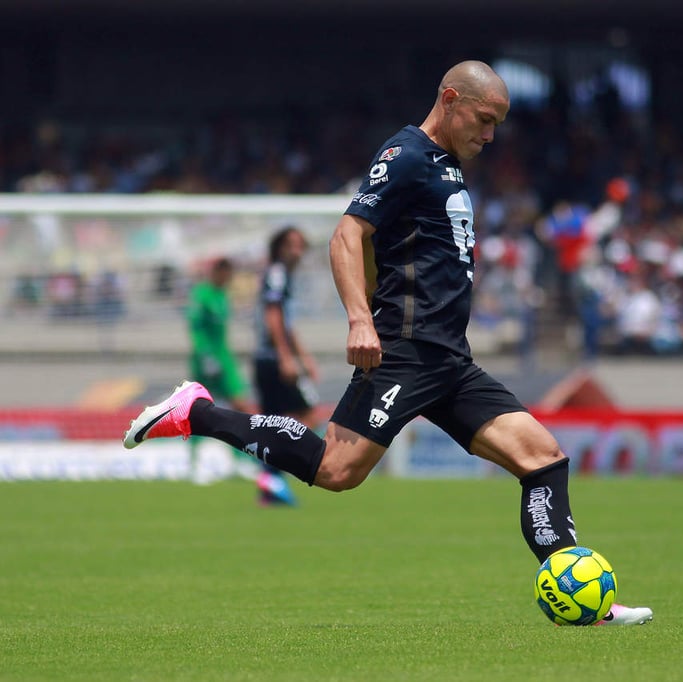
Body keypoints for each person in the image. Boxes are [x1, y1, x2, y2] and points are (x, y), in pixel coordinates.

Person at [123, 60, 652, 625]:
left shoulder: (446, 166)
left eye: (497, 123)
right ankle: (195, 412)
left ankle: (584, 600)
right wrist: (361, 318)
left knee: (543, 459)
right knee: (335, 470)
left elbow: (390, 250)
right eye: (484, 118)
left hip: (449, 358)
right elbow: (349, 234)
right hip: (407, 348)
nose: (491, 134)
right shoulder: (407, 156)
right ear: (449, 99)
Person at [252, 226, 321, 506]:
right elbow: (273, 315)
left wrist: (303, 357)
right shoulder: (277, 273)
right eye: (292, 245)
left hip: (270, 358)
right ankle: (277, 477)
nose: (297, 251)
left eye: (300, 245)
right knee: (307, 415)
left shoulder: (283, 276)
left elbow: (287, 325)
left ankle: (269, 483)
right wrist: (285, 357)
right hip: (271, 359)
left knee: (274, 424)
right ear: (280, 247)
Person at [186, 257, 255, 482]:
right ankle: (194, 463)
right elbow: (195, 328)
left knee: (240, 407)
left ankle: (239, 460)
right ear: (216, 272)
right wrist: (205, 354)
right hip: (205, 361)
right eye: (225, 273)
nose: (227, 279)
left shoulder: (223, 295)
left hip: (225, 361)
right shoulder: (201, 294)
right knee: (198, 410)